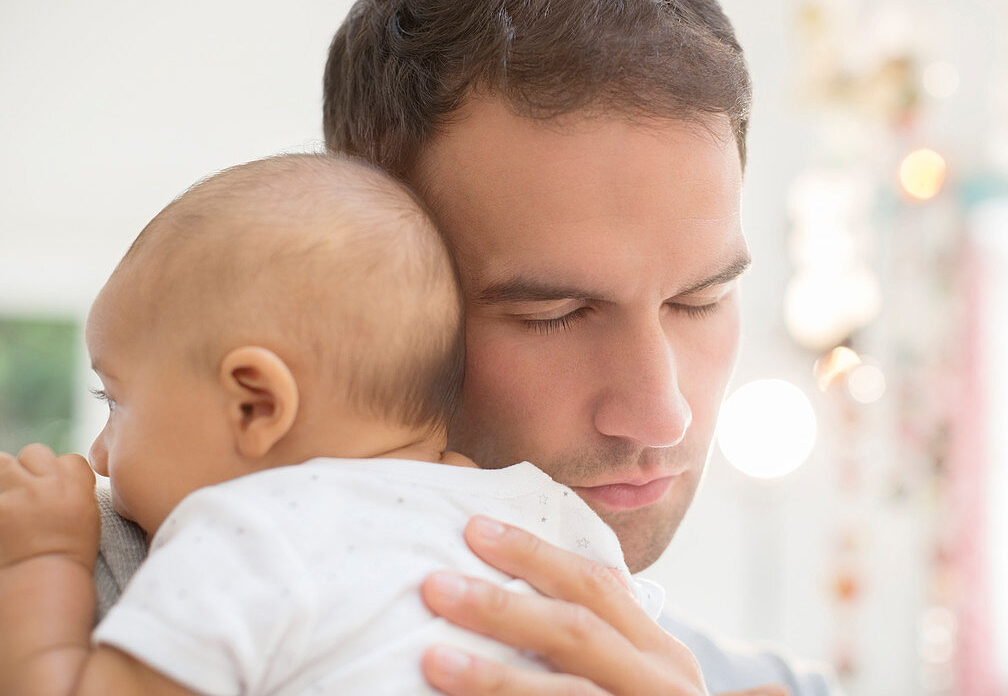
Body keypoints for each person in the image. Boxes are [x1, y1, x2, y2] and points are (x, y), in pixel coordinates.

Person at [95, 0, 838, 694]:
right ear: (371, 292)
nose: (661, 411)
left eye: (700, 300)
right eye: (554, 314)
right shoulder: (79, 607)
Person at [0, 154, 663, 695]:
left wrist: (40, 556)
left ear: (255, 404)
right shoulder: (542, 514)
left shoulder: (240, 534)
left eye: (115, 400)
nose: (101, 454)